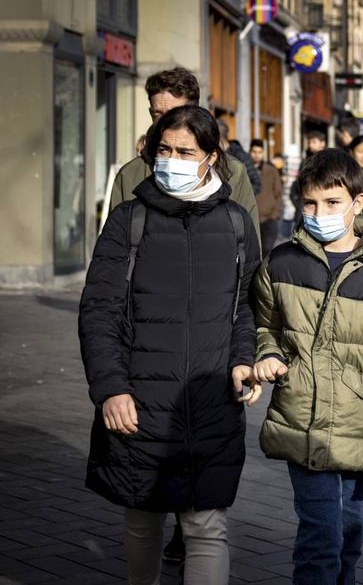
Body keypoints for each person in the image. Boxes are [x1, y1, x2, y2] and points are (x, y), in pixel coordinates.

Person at [79, 105, 261, 585]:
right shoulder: (128, 221)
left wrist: (244, 359)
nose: (172, 160)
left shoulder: (238, 224)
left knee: (206, 525)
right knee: (142, 520)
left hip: (210, 403)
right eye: (164, 149)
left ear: (210, 158)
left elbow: (247, 307)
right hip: (139, 403)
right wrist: (110, 387)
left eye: (185, 151)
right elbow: (98, 311)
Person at [245, 148, 363, 584]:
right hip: (303, 423)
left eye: (332, 202)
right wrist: (268, 354)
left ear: (358, 204)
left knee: (351, 536)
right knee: (320, 539)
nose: (318, 212)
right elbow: (265, 323)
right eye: (309, 203)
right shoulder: (281, 263)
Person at [104, 68, 259, 237]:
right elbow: (115, 245)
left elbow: (248, 245)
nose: (165, 122)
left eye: (175, 113)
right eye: (158, 114)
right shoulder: (130, 175)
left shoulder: (232, 171)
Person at [252, 138, 283, 255]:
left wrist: (275, 214)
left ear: (263, 153)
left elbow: (278, 193)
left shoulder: (271, 171)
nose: (256, 155)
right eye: (254, 152)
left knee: (267, 250)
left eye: (259, 152)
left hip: (269, 219)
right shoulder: (245, 170)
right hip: (252, 218)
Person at [219, 120, 261, 195]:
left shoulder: (241, 157)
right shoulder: (214, 155)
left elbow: (256, 184)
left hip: (236, 204)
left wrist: (236, 195)